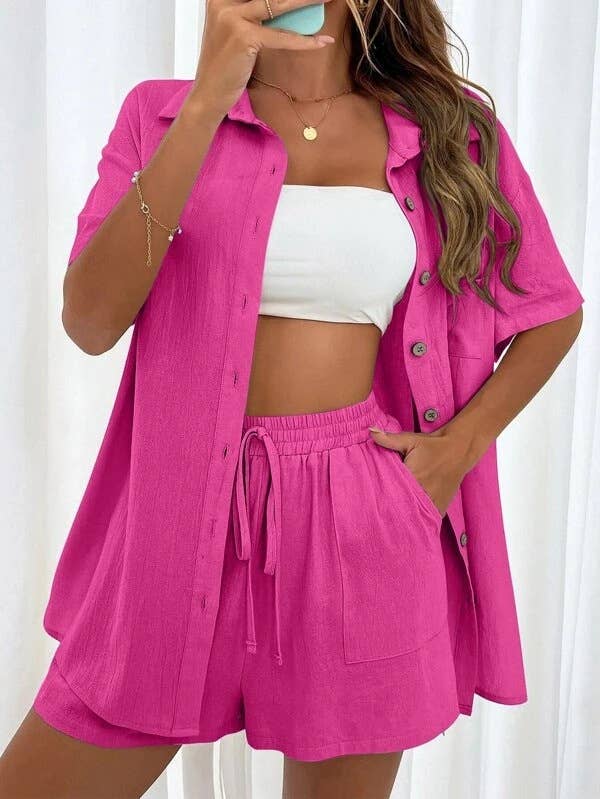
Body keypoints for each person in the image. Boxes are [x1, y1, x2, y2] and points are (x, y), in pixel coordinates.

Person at [0, 0, 585, 794]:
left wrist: (459, 447)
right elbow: (91, 320)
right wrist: (207, 104)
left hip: (362, 521)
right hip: (176, 523)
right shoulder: (160, 114)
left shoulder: (450, 132)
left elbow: (550, 309)